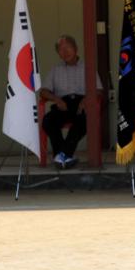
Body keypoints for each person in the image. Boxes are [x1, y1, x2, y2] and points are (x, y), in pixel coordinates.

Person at [39, 35, 104, 169]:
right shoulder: (55, 70)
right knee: (48, 121)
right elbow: (43, 91)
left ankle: (61, 155)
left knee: (85, 119)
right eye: (61, 49)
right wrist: (56, 99)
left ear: (76, 49)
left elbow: (98, 91)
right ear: (58, 54)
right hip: (62, 104)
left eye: (67, 47)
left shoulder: (88, 68)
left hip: (82, 105)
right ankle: (65, 156)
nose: (65, 51)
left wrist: (86, 99)